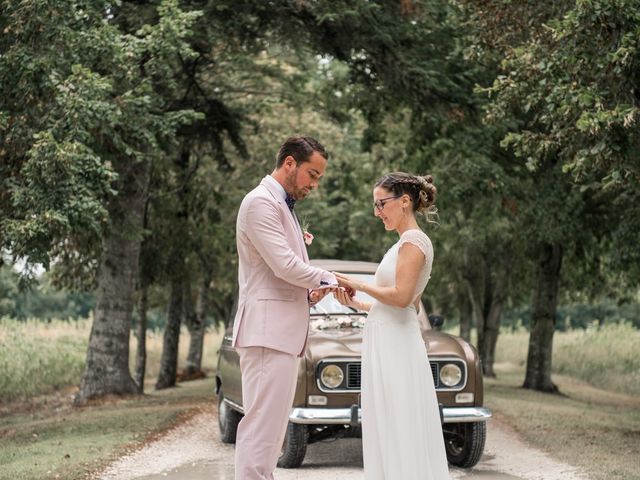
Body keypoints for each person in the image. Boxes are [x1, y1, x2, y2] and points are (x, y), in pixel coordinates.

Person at [233, 135, 339, 480]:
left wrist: (308, 294)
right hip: (267, 334)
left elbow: (276, 275)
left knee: (271, 430)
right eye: (312, 174)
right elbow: (284, 265)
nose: (314, 185)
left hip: (278, 334)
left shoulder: (281, 205)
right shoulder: (260, 203)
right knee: (262, 428)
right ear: (290, 163)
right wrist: (331, 279)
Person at [333, 172, 450, 480]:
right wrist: (355, 303)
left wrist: (359, 283)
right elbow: (407, 305)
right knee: (387, 424)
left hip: (398, 347)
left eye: (381, 203)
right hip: (388, 341)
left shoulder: (414, 242)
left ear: (405, 201)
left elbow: (401, 298)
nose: (377, 212)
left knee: (401, 424)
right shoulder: (402, 243)